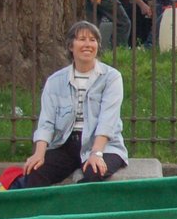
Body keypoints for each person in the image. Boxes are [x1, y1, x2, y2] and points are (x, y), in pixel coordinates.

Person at [11, 21, 127, 188]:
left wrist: (96, 153)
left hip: (104, 146)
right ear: (71, 46)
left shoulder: (111, 77)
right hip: (66, 144)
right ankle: (40, 213)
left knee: (94, 173)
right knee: (35, 171)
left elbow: (108, 120)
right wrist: (39, 153)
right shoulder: (55, 81)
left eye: (92, 40)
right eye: (82, 39)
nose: (88, 44)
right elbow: (46, 122)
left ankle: (71, 208)